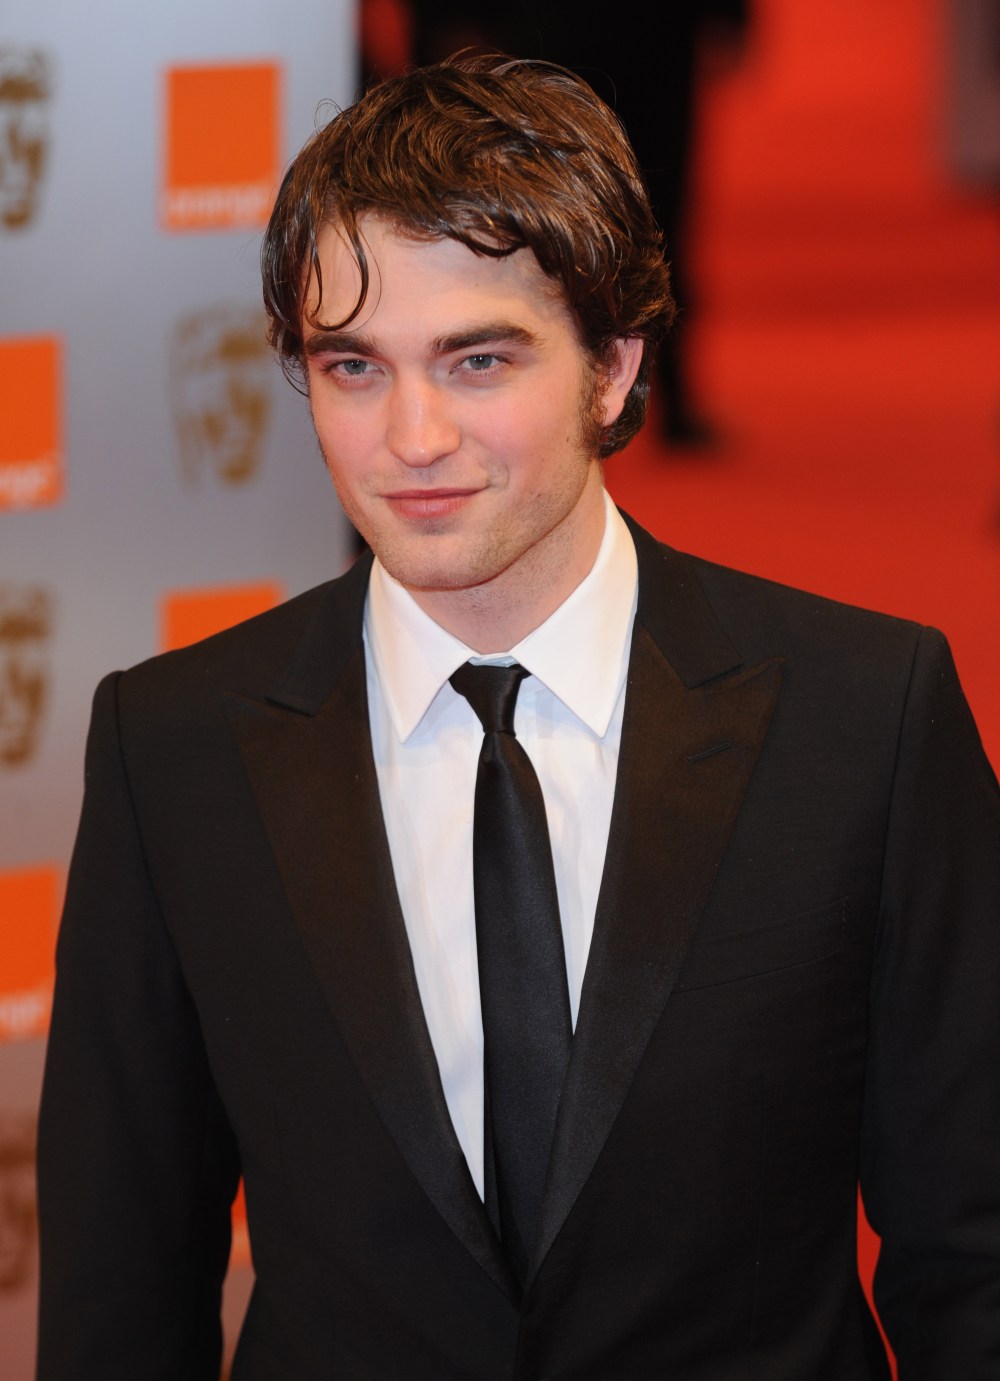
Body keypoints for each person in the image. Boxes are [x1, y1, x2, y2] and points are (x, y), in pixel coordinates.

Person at [36, 56, 1000, 1380]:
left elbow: (975, 1246)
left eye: (476, 359)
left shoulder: (865, 719)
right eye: (353, 366)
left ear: (612, 369)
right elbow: (120, 1286)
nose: (412, 436)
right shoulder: (176, 749)